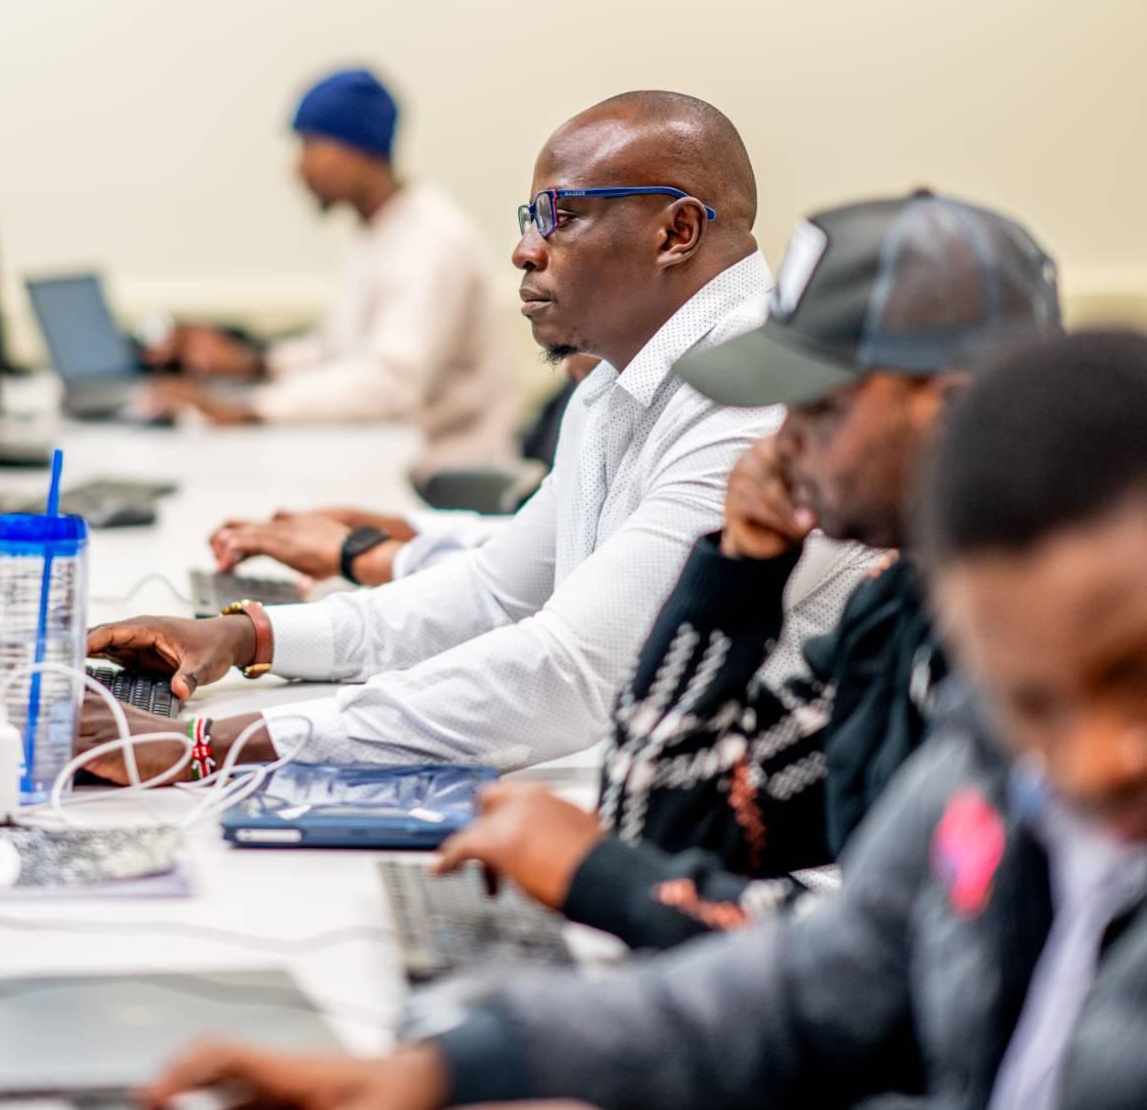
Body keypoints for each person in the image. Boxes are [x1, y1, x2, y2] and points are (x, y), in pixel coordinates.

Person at [142, 330, 1147, 1110]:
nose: (1089, 758)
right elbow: (818, 991)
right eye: (1028, 702)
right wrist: (458, 1067)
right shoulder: (960, 680)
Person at [84, 90, 785, 777]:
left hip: (738, 855)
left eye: (558, 217)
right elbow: (495, 593)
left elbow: (566, 672)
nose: (523, 251)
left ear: (677, 232)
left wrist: (209, 742)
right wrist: (247, 634)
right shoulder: (614, 386)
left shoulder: (754, 405)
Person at [431, 192, 1062, 949]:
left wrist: (606, 881)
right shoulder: (900, 610)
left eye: (819, 409)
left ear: (955, 410)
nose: (778, 441)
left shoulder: (1049, 658)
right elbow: (658, 821)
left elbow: (898, 951)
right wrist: (734, 576)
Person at [143, 67, 515, 479]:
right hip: (388, 456)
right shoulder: (378, 231)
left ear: (357, 148)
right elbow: (341, 349)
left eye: (309, 147)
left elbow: (391, 385)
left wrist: (253, 408)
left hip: (444, 476)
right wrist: (253, 365)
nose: (298, 168)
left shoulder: (431, 243)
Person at [207, 355, 602, 590]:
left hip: (456, 457)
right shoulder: (597, 396)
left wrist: (356, 553)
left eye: (563, 218)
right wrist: (370, 524)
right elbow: (523, 543)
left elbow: (523, 585)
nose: (526, 252)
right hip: (496, 500)